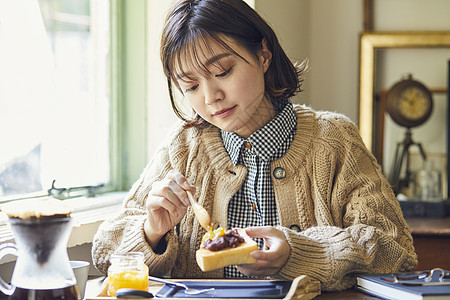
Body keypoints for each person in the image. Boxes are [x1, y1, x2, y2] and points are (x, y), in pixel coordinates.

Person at [92, 0, 417, 291]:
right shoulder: (183, 146)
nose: (209, 98)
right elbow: (107, 249)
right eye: (190, 85)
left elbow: (394, 248)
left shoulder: (333, 141)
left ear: (263, 55)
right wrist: (152, 231)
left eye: (223, 71)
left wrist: (298, 252)